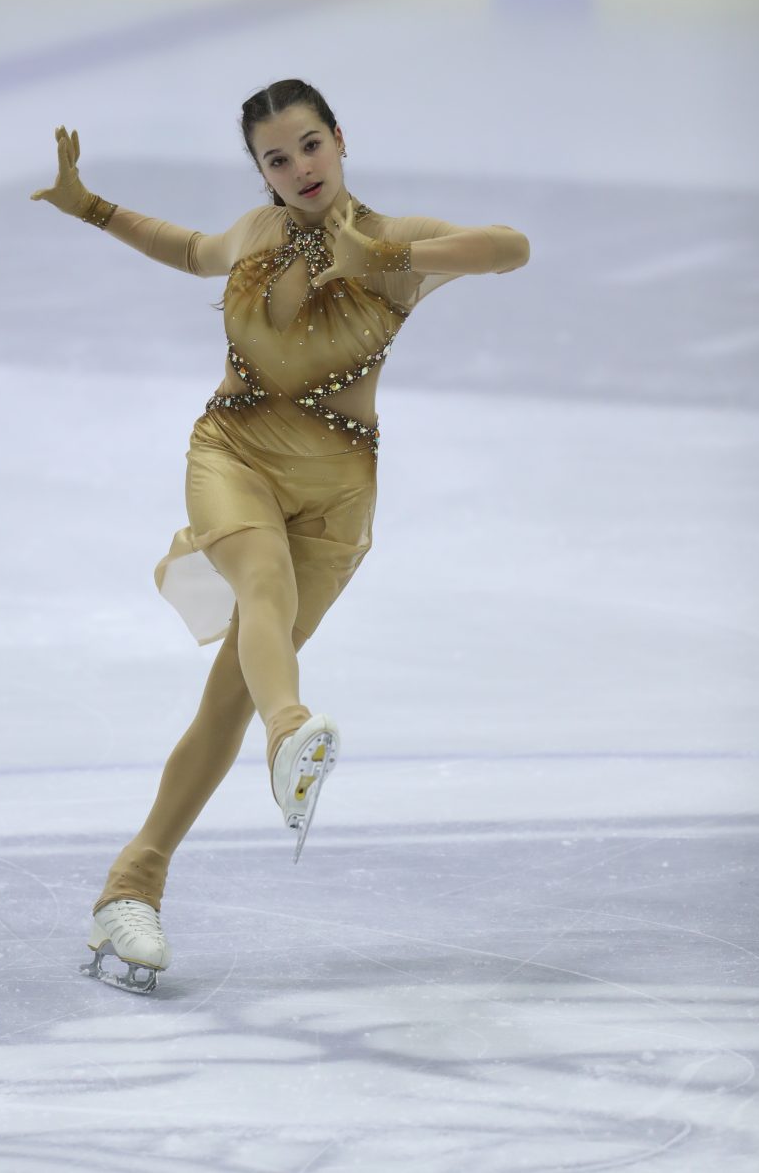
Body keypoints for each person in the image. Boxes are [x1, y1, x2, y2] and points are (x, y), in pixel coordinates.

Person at [30, 78, 530, 993]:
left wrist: (380, 254)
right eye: (276, 157)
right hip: (234, 451)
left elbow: (510, 248)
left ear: (339, 140)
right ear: (260, 170)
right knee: (260, 584)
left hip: (337, 497)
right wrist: (88, 205)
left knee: (225, 697)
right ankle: (292, 730)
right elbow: (188, 250)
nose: (298, 168)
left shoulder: (398, 244)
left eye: (309, 146)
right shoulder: (258, 237)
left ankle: (129, 886)